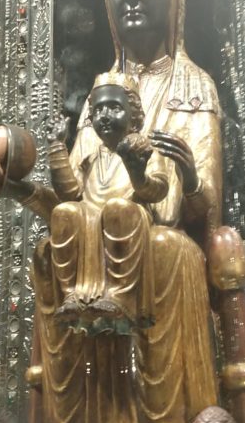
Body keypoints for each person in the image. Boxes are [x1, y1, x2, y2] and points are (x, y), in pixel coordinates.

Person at [0, 0, 221, 423]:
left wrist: (183, 174)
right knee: (48, 249)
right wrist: (14, 186)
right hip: (96, 243)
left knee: (160, 248)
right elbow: (71, 198)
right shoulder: (97, 98)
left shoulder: (195, 88)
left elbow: (206, 213)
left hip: (161, 245)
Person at [47, 71, 170, 335]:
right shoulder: (90, 155)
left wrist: (137, 173)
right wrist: (57, 146)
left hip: (129, 218)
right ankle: (72, 296)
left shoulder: (143, 148)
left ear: (133, 115)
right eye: (98, 109)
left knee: (118, 208)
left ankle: (121, 296)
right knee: (64, 211)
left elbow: (159, 189)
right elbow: (69, 192)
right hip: (90, 218)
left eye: (114, 108)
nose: (104, 115)